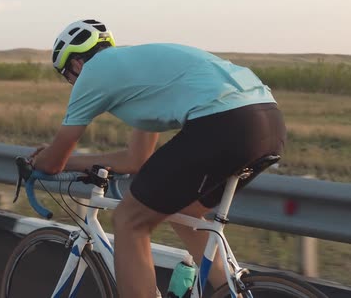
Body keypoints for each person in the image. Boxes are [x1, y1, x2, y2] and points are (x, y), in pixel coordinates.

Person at [31, 19, 286, 298]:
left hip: (223, 123)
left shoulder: (93, 72)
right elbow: (136, 160)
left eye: (66, 76)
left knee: (130, 220)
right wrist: (74, 161)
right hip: (268, 121)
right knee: (185, 212)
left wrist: (38, 161)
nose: (71, 83)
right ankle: (229, 291)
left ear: (76, 64)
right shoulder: (137, 72)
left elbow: (51, 162)